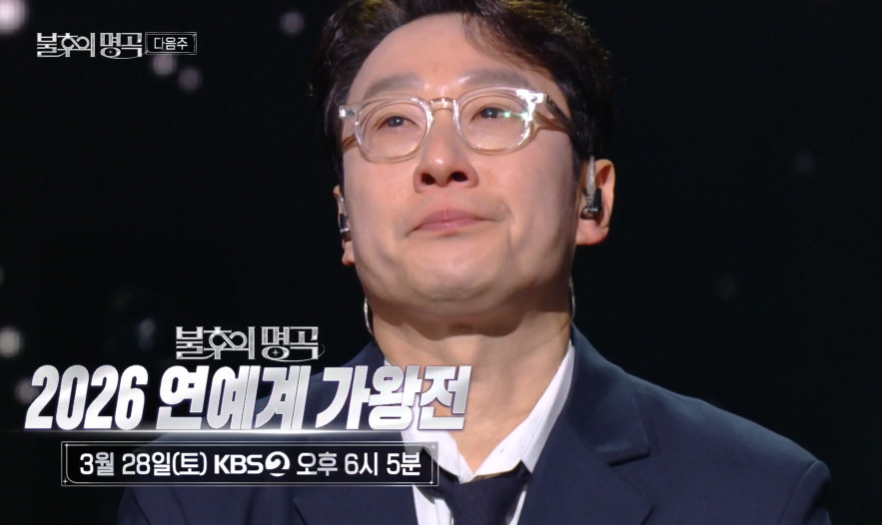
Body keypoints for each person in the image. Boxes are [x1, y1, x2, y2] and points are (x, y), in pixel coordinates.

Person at [119, 0, 831, 523]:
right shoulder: (201, 492)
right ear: (345, 219)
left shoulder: (754, 497)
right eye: (393, 122)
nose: (440, 160)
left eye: (493, 112)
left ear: (591, 197)